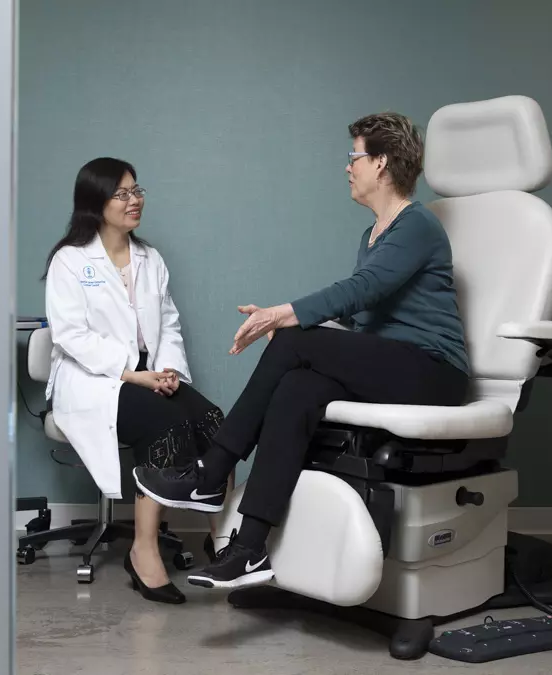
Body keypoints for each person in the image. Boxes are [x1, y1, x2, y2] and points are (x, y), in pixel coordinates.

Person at [134, 112, 470, 590]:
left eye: (353, 156)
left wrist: (286, 319)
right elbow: (360, 317)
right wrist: (300, 339)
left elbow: (365, 288)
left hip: (433, 373)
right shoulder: (372, 235)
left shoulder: (418, 225)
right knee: (296, 385)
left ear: (382, 162)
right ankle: (249, 548)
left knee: (294, 339)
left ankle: (211, 471)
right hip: (391, 365)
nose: (347, 167)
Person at [43, 157, 228, 604]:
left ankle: (222, 541)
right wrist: (132, 375)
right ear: (95, 202)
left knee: (215, 424)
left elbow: (168, 323)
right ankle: (142, 551)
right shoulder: (70, 261)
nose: (134, 201)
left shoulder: (150, 258)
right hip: (95, 379)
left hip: (148, 373)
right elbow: (71, 336)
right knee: (165, 423)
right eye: (122, 193)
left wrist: (165, 372)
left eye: (137, 191)